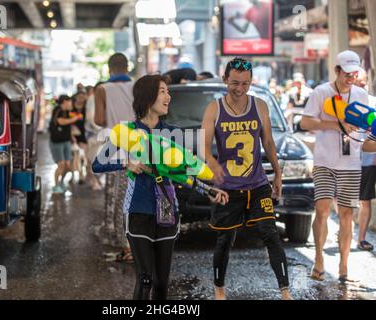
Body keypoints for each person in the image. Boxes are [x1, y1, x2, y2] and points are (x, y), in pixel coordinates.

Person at [92, 74, 228, 299]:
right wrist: (126, 163)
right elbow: (97, 164)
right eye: (163, 91)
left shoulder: (173, 133)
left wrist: (209, 190)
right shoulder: (125, 131)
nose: (169, 96)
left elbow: (182, 174)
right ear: (148, 97)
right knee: (145, 279)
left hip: (167, 212)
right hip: (138, 210)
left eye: (167, 91)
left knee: (162, 284)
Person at [201, 57, 292, 300]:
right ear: (225, 80)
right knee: (225, 239)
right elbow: (204, 148)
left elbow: (269, 142)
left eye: (245, 83)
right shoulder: (214, 109)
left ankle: (285, 291)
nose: (240, 89)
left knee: (270, 234)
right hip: (228, 187)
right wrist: (212, 165)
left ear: (251, 82)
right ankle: (219, 287)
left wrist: (278, 172)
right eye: (234, 83)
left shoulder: (260, 106)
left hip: (257, 184)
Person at [300, 50, 369, 282]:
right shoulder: (321, 92)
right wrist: (335, 125)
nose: (350, 78)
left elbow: (365, 133)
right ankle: (319, 260)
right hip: (325, 162)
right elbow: (305, 121)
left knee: (348, 215)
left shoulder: (361, 94)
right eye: (346, 74)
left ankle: (344, 267)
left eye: (354, 74)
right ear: (337, 70)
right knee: (322, 209)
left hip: (351, 163)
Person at [94, 52, 135, 257]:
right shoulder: (138, 86)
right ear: (127, 67)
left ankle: (120, 240)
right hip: (138, 148)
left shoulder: (102, 89)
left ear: (110, 69)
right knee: (135, 196)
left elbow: (99, 119)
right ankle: (136, 240)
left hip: (115, 148)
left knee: (117, 196)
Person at [355, 70, 375, 251]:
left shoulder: (373, 103)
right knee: (340, 198)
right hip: (346, 159)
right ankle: (344, 229)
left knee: (365, 200)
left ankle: (361, 238)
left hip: (369, 160)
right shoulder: (344, 105)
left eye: (363, 83)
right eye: (357, 83)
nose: (361, 86)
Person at [49, 95, 79, 194]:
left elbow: (68, 127)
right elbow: (61, 122)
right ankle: (56, 186)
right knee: (61, 165)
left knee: (68, 165)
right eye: (69, 101)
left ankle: (61, 183)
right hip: (57, 142)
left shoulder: (67, 112)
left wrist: (71, 137)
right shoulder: (57, 110)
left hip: (66, 141)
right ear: (64, 102)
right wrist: (75, 118)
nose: (71, 103)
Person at [85, 82, 104, 191]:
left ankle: (96, 180)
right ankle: (94, 181)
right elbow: (90, 118)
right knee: (92, 159)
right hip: (93, 134)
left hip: (102, 134)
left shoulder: (103, 99)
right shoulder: (92, 99)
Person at [71, 90, 88, 185]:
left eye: (83, 98)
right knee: (74, 156)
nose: (81, 99)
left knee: (83, 156)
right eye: (79, 97)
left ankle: (82, 175)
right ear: (76, 97)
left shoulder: (86, 108)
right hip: (73, 136)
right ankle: (74, 174)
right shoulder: (71, 107)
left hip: (83, 136)